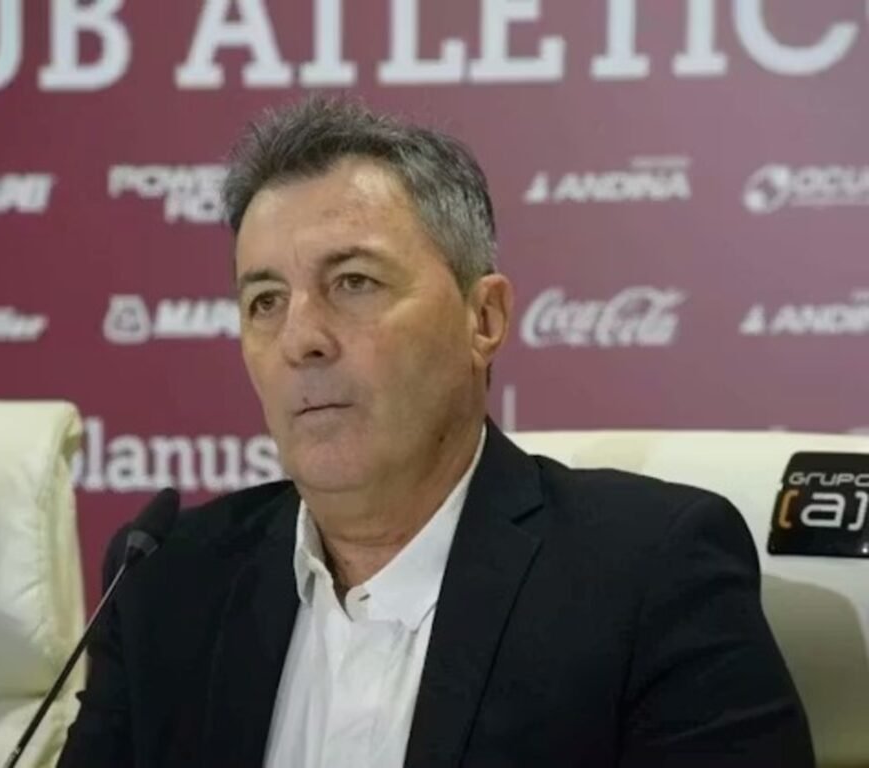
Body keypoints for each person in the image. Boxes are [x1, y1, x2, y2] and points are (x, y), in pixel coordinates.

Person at [58, 97, 813, 768]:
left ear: (483, 319)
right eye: (265, 300)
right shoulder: (165, 584)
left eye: (353, 282)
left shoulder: (651, 576)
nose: (301, 338)